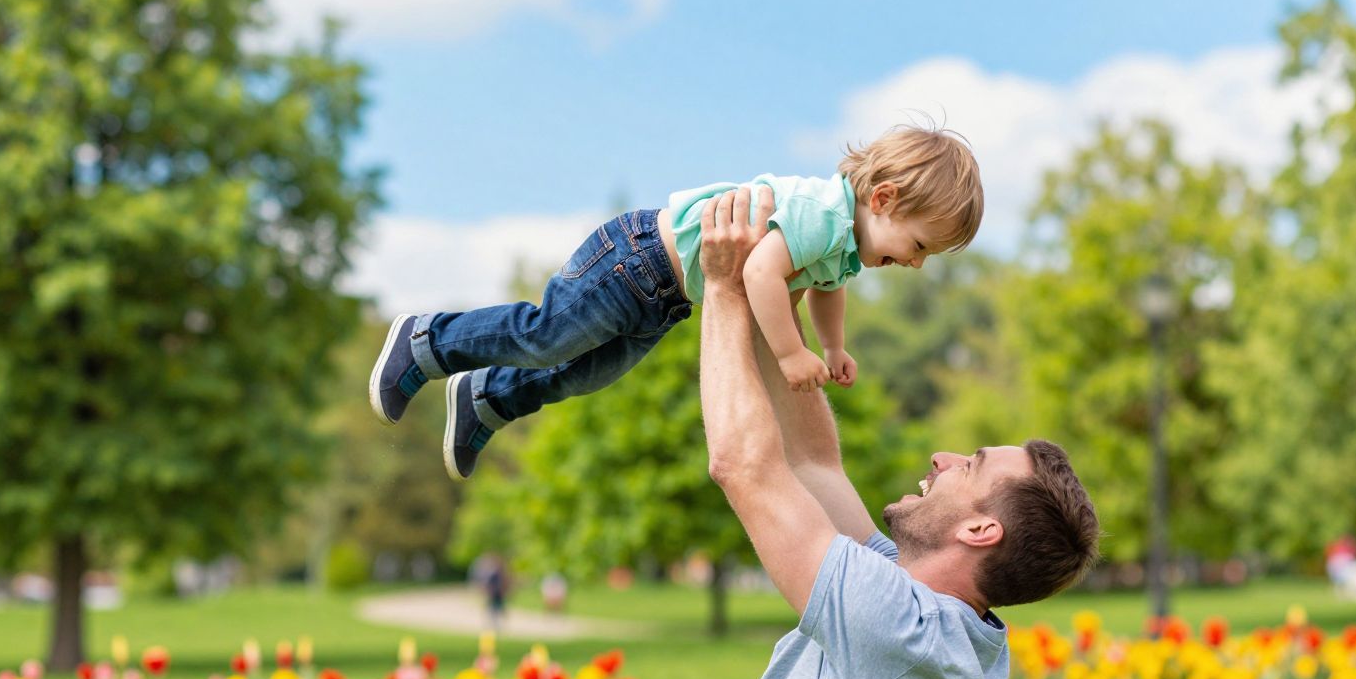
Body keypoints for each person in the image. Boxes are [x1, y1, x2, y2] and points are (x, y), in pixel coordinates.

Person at [697, 186, 1100, 679]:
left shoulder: (892, 629)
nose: (947, 455)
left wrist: (726, 290)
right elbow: (815, 468)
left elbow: (746, 466)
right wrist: (794, 333)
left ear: (980, 533)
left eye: (973, 467)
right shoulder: (927, 620)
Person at [367, 123, 984, 481]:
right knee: (546, 335)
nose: (917, 262)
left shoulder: (843, 245)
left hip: (663, 298)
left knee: (587, 373)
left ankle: (487, 399)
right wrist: (792, 354)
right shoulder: (822, 213)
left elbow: (826, 288)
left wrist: (833, 345)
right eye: (920, 244)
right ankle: (427, 341)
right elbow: (765, 274)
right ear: (883, 198)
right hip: (636, 259)